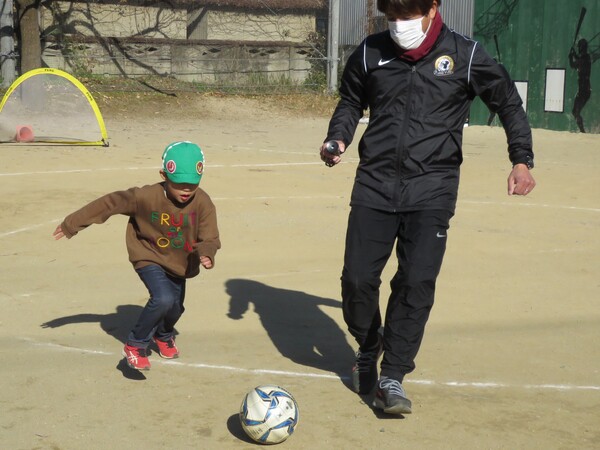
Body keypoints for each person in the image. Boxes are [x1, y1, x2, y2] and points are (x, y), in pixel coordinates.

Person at [320, 0, 535, 415]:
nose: (398, 25)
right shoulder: (370, 52)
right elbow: (350, 101)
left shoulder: (465, 55)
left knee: (416, 281)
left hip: (432, 188)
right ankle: (369, 346)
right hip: (375, 184)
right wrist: (338, 137)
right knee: (357, 280)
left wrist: (521, 159)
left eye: (407, 16)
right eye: (391, 17)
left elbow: (507, 102)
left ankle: (392, 376)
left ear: (433, 8)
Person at [53, 141, 221, 371]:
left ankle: (163, 335)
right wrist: (72, 224)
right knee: (163, 298)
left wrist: (207, 252)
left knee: (175, 308)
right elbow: (109, 203)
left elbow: (210, 236)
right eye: (179, 184)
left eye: (192, 185)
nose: (186, 190)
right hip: (148, 254)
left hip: (179, 261)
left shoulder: (203, 202)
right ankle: (135, 344)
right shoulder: (145, 197)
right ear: (164, 175)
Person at [569, 38, 592, 133]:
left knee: (576, 111)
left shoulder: (585, 59)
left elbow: (574, 65)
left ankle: (583, 131)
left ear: (581, 48)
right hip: (583, 90)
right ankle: (582, 131)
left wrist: (571, 57)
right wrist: (574, 55)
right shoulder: (585, 58)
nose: (578, 49)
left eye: (579, 47)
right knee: (575, 111)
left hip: (584, 90)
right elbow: (578, 61)